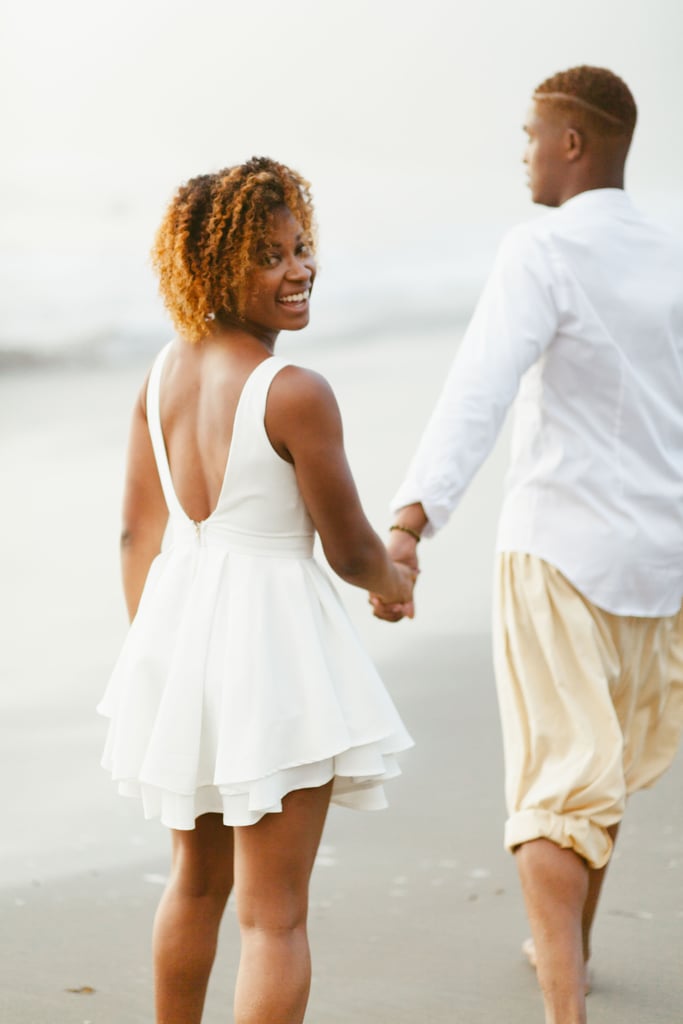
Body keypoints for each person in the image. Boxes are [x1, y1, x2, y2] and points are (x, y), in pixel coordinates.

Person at [372, 66, 683, 1023]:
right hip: (660, 560)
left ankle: (563, 1006)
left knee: (557, 784)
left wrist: (411, 521)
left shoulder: (540, 250)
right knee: (600, 774)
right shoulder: (671, 253)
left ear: (573, 143)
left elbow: (481, 387)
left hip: (558, 548)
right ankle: (571, 954)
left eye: (530, 135)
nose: (523, 152)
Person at [97, 156, 415, 1024]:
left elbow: (137, 533)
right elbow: (350, 551)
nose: (299, 269)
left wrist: (160, 660)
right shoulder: (293, 392)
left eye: (302, 247)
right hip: (272, 653)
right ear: (215, 267)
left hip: (183, 640)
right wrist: (393, 580)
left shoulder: (160, 376)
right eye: (268, 255)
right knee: (274, 918)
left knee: (194, 887)